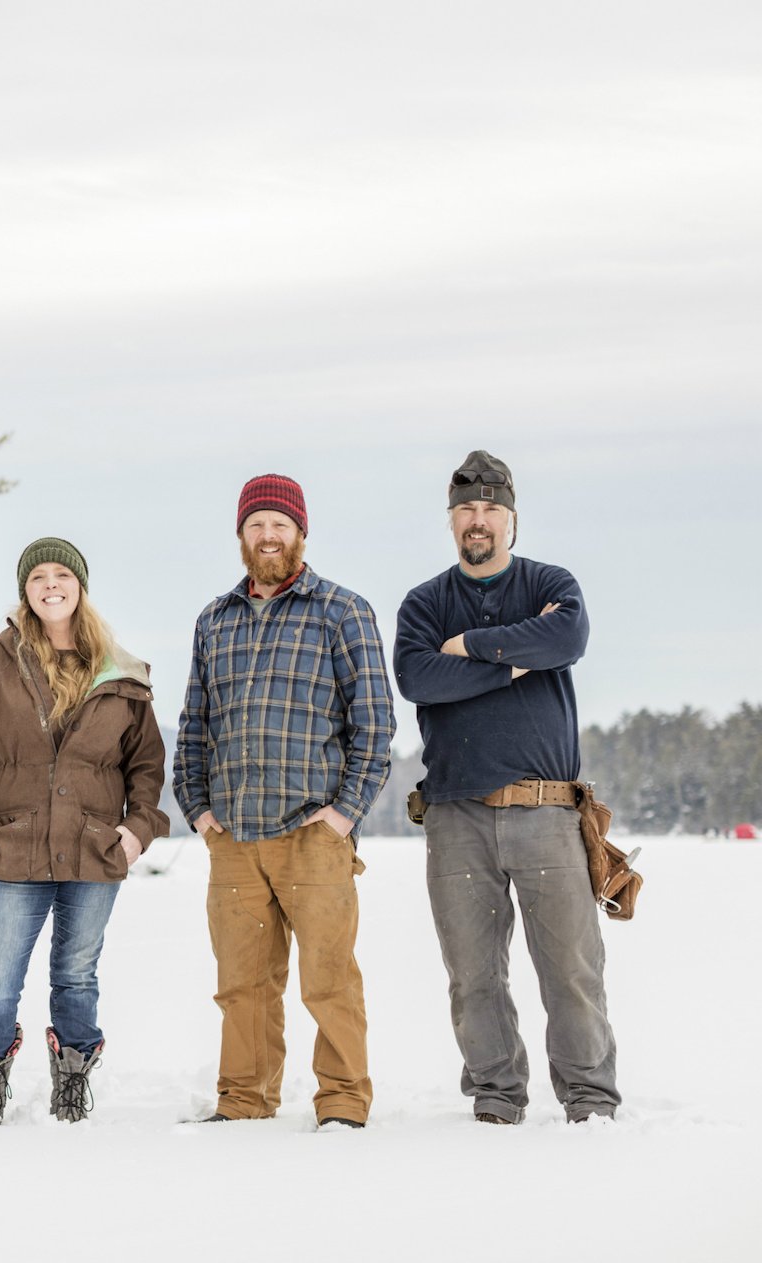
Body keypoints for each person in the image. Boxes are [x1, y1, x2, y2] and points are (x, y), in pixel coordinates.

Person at [393, 450, 620, 1124]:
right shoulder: (425, 603)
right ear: (451, 520)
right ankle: (496, 1094)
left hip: (546, 810)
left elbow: (568, 634)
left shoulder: (552, 582)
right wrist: (514, 662)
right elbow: (418, 678)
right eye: (466, 508)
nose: (478, 519)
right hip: (455, 814)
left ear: (512, 520)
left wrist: (470, 646)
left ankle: (589, 1098)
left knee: (571, 969)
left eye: (491, 507)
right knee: (473, 974)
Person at [172, 474, 394, 1130]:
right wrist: (198, 808)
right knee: (242, 985)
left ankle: (344, 1102)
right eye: (256, 524)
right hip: (235, 837)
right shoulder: (215, 619)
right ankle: (243, 1099)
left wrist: (343, 815)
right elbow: (195, 723)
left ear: (301, 532)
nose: (269, 536)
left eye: (280, 524)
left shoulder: (341, 610)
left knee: (329, 979)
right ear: (241, 534)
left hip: (313, 833)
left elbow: (375, 723)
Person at [0, 538, 170, 1124]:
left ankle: (71, 1081)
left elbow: (146, 767)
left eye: (61, 574)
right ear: (26, 591)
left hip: (95, 851)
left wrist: (137, 831)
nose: (50, 584)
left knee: (76, 977)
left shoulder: (121, 669)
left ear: (80, 588)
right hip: (15, 847)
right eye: (37, 575)